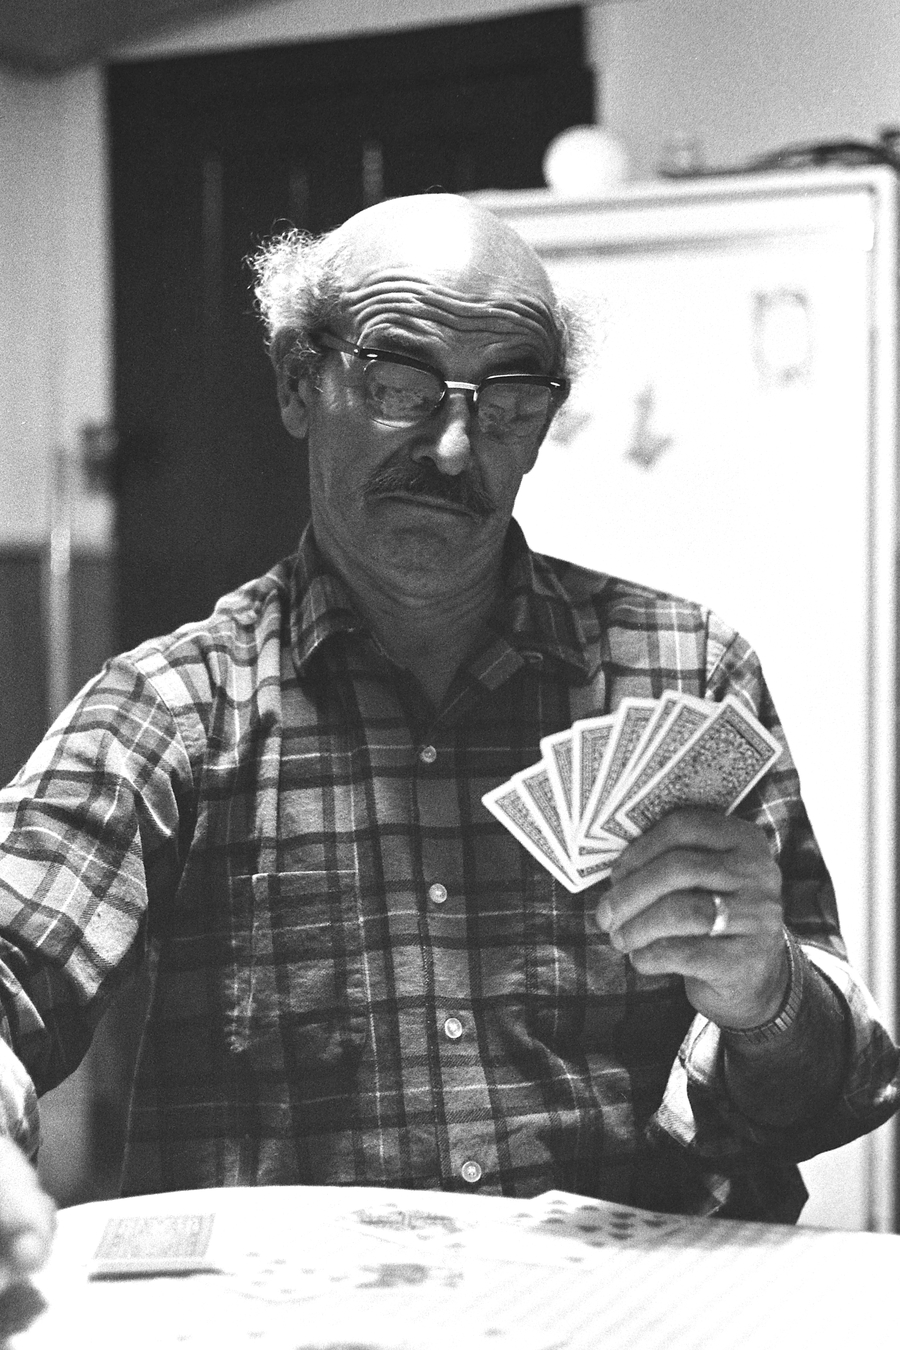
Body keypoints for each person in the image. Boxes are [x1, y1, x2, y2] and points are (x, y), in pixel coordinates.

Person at [0, 193, 897, 1285]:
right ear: (297, 383)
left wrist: (767, 993)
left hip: (636, 1317)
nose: (457, 444)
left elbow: (837, 1092)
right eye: (400, 384)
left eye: (509, 400)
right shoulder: (174, 707)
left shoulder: (689, 670)